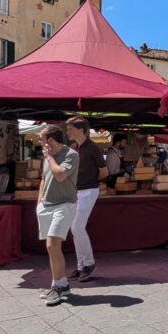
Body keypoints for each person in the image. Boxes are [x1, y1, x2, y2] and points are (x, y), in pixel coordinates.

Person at [36, 125, 80, 306]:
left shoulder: (71, 155)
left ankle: (58, 286)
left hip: (65, 204)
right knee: (52, 248)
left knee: (52, 244)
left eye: (41, 138)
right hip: (46, 205)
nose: (39, 142)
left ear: (51, 140)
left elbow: (60, 175)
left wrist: (49, 158)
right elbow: (44, 179)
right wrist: (39, 203)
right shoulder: (48, 156)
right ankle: (61, 284)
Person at [66, 116, 107, 283]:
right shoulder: (77, 148)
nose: (68, 132)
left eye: (70, 129)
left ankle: (89, 264)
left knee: (77, 227)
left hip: (89, 191)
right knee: (75, 229)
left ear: (81, 130)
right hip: (78, 191)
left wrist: (90, 181)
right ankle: (81, 265)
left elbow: (104, 172)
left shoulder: (92, 147)